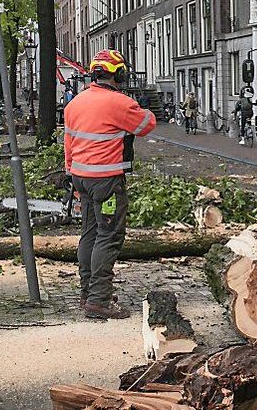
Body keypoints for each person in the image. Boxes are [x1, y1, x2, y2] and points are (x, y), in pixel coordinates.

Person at [64, 49, 156, 320]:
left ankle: (87, 292)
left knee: (90, 233)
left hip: (81, 177)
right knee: (109, 235)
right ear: (119, 74)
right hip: (106, 180)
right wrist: (142, 104)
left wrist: (71, 172)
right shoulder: (118, 103)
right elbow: (147, 124)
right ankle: (99, 300)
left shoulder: (75, 103)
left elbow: (68, 145)